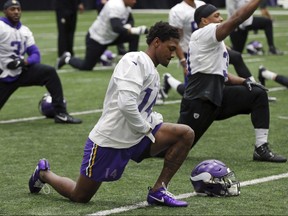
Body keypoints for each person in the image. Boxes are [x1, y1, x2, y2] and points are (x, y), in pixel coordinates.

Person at [29, 21, 195, 207]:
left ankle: (159, 190)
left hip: (137, 136)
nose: (173, 54)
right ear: (156, 42)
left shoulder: (152, 71)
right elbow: (126, 104)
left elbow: (139, 106)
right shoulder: (134, 61)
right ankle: (44, 174)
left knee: (185, 134)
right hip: (112, 139)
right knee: (80, 196)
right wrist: (146, 128)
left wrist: (150, 122)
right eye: (170, 48)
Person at [177, 2, 287, 163]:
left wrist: (245, 81)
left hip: (217, 98)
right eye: (216, 16)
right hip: (199, 101)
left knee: (257, 94)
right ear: (204, 21)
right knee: (172, 150)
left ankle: (260, 148)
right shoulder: (203, 33)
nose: (221, 19)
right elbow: (236, 18)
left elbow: (223, 75)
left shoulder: (212, 40)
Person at [0, 0, 82, 124]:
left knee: (49, 73)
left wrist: (24, 62)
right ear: (5, 11)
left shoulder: (24, 31)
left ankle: (61, 113)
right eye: (12, 9)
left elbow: (36, 54)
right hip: (3, 76)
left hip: (20, 71)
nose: (16, 12)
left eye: (18, 9)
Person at [159, 0, 256, 101]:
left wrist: (222, 44)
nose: (221, 19)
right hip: (192, 53)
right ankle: (170, 80)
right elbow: (175, 39)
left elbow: (213, 31)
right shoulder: (177, 10)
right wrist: (183, 61)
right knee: (193, 93)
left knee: (236, 57)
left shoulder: (201, 4)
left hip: (210, 46)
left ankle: (254, 86)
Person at [56, 0, 148, 71]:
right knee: (86, 66)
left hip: (112, 36)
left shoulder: (126, 6)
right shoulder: (115, 5)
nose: (135, 1)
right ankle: (67, 59)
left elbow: (130, 20)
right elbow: (116, 26)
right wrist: (132, 29)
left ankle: (131, 64)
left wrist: (130, 27)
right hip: (97, 39)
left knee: (134, 35)